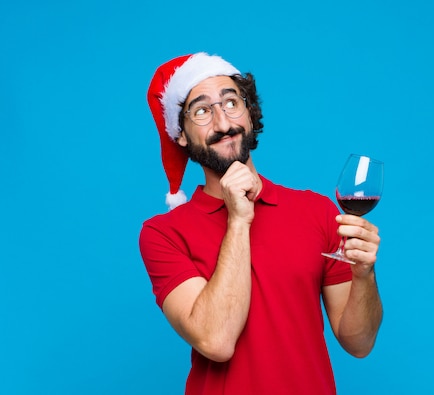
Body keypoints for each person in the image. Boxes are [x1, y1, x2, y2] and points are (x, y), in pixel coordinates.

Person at [139, 52, 383, 395]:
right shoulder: (163, 234)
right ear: (180, 135)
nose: (223, 123)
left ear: (250, 114)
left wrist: (364, 274)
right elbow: (216, 340)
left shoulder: (317, 211)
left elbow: (359, 343)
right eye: (202, 111)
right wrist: (239, 220)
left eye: (231, 103)